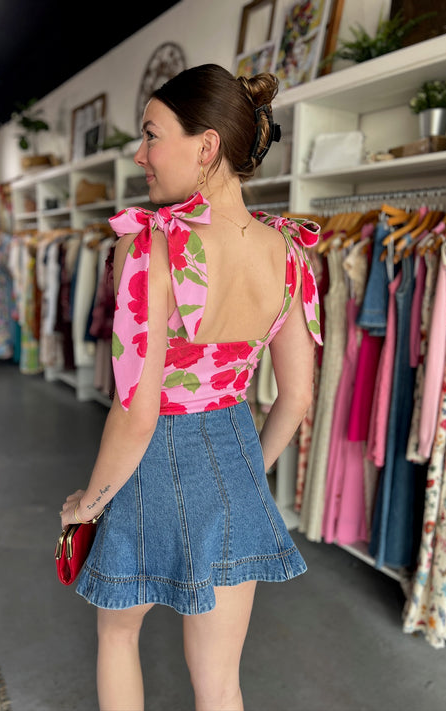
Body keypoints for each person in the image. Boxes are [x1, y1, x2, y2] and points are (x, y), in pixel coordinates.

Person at [60, 63, 322, 711]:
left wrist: (87, 504)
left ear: (206, 146)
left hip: (147, 466)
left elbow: (137, 413)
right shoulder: (288, 253)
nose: (139, 154)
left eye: (151, 135)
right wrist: (244, 476)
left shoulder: (151, 246)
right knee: (220, 681)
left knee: (118, 635)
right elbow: (296, 398)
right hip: (233, 456)